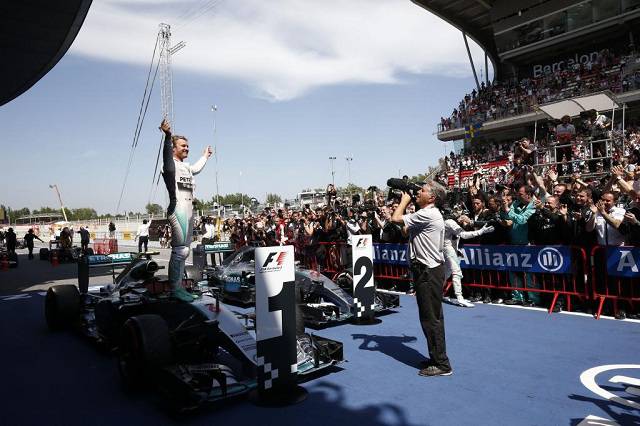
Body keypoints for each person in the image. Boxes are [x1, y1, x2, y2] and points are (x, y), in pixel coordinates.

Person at [391, 181, 452, 377]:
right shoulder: (426, 214)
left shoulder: (429, 214)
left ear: (432, 197)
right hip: (426, 271)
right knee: (429, 317)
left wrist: (405, 200)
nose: (418, 192)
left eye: (423, 191)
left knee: (431, 319)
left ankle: (442, 364)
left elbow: (395, 218)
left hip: (428, 271)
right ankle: (435, 357)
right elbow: (405, 230)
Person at [160, 119, 213, 302]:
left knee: (185, 250)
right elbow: (167, 159)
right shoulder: (170, 165)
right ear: (173, 148)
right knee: (180, 250)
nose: (187, 148)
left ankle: (179, 287)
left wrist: (205, 156)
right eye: (183, 146)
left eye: (188, 146)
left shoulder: (186, 167)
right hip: (179, 208)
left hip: (190, 209)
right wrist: (167, 137)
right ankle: (175, 289)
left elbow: (196, 168)